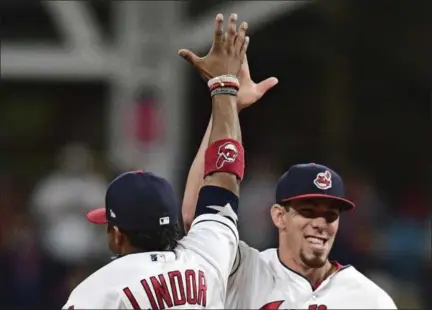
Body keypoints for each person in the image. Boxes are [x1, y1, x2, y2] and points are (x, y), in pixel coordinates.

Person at [181, 25, 397, 310]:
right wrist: (227, 107)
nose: (320, 223)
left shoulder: (370, 300)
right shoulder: (247, 271)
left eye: (330, 215)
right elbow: (198, 216)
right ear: (279, 216)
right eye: (307, 212)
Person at [63, 12, 250, 309]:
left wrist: (225, 91)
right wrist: (225, 89)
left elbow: (225, 174)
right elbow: (225, 175)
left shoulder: (98, 290)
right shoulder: (206, 257)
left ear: (117, 235)